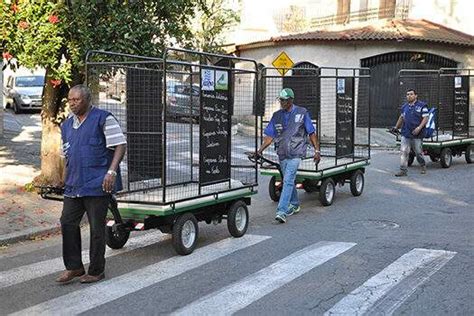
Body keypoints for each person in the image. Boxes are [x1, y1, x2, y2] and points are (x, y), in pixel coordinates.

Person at [56, 84, 126, 284]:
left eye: (76, 100)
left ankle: (96, 271)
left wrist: (111, 172)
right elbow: (68, 156)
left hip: (97, 183)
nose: (72, 104)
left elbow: (120, 145)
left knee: (97, 229)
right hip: (74, 185)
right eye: (70, 100)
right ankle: (75, 267)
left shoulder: (103, 119)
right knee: (67, 223)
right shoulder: (67, 126)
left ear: (87, 100)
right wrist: (63, 179)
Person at [257, 88, 320, 223]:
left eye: (285, 100)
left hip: (296, 153)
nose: (282, 102)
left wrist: (317, 151)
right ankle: (295, 204)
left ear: (291, 100)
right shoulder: (277, 115)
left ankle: (282, 211)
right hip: (282, 153)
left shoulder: (302, 113)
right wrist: (259, 150)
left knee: (288, 180)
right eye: (281, 100)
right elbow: (269, 137)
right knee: (287, 179)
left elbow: (311, 133)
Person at [392, 89, 429, 176]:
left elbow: (426, 118)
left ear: (416, 96)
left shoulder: (422, 106)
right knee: (404, 152)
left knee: (418, 152)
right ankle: (403, 170)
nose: (409, 96)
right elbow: (401, 118)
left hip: (417, 134)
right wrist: (396, 127)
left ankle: (423, 165)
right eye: (407, 94)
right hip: (406, 133)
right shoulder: (404, 107)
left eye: (411, 94)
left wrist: (419, 128)